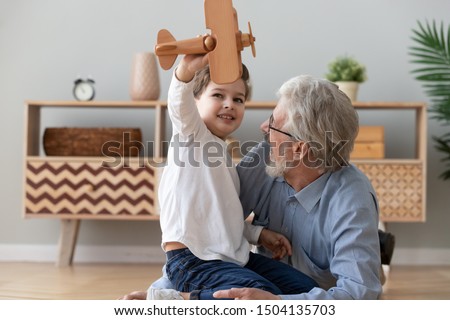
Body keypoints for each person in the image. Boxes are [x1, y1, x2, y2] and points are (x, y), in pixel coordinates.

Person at [121, 74, 382, 300]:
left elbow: (360, 296)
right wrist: (162, 296)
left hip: (304, 299)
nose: (263, 128)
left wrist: (274, 304)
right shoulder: (264, 159)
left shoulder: (352, 200)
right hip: (242, 281)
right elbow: (208, 226)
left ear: (300, 149)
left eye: (274, 124)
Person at [148, 55, 318, 300]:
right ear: (194, 102)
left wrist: (258, 235)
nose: (230, 104)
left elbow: (224, 217)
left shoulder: (225, 158)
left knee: (306, 289)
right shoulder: (190, 135)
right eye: (218, 95)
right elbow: (178, 101)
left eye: (238, 99)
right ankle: (179, 300)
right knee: (260, 297)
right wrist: (185, 70)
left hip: (234, 258)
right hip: (193, 260)